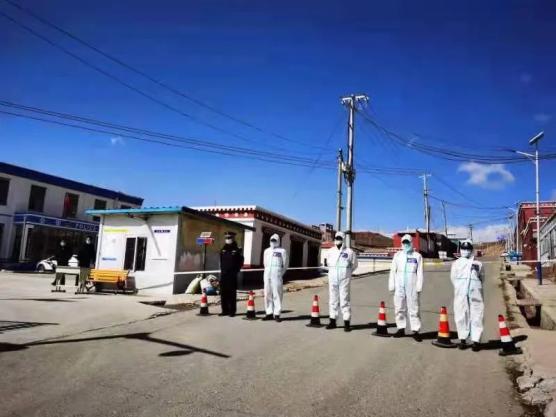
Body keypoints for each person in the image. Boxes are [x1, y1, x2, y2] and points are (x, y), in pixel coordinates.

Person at [389, 234, 424, 341]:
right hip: (399, 284)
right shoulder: (397, 255)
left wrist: (419, 285)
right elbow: (392, 271)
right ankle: (401, 328)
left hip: (412, 285)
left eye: (407, 242)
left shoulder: (417, 256)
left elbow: (420, 272)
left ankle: (415, 330)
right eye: (404, 242)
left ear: (411, 243)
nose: (406, 244)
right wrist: (391, 284)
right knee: (399, 307)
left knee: (414, 307)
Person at [451, 239, 485, 352]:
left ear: (471, 250)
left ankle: (476, 341)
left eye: (467, 249)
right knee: (461, 314)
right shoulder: (456, 263)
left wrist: (475, 286)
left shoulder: (478, 264)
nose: (465, 251)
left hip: (475, 292)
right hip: (460, 292)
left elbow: (482, 278)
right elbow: (453, 278)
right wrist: (459, 287)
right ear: (460, 249)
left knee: (477, 314)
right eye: (463, 248)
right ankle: (463, 339)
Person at [325, 231, 358, 332]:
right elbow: (327, 264)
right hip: (332, 279)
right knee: (333, 300)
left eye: (339, 238)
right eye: (336, 238)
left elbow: (354, 265)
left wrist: (347, 273)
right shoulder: (330, 251)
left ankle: (346, 323)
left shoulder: (349, 252)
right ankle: (332, 321)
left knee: (345, 300)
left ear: (343, 239)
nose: (337, 240)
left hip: (344, 279)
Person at [262, 234, 288, 322]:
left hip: (277, 273)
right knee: (267, 293)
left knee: (277, 293)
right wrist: (267, 270)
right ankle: (269, 312)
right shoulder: (266, 251)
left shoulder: (282, 251)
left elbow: (285, 264)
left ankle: (277, 313)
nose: (273, 242)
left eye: (275, 240)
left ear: (278, 241)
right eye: (272, 240)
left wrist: (280, 273)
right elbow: (265, 263)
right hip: (267, 273)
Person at [219, 231, 244, 317]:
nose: (227, 239)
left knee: (231, 294)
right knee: (223, 293)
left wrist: (235, 271)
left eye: (229, 238)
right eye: (226, 238)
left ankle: (232, 311)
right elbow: (221, 261)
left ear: (233, 238)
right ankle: (224, 310)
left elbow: (241, 262)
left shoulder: (237, 250)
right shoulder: (223, 249)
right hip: (224, 274)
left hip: (232, 275)